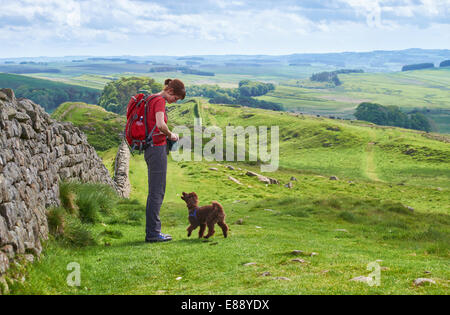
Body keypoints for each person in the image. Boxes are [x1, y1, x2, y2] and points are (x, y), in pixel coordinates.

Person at [145, 79, 186, 243]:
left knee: (154, 191)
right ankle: (153, 234)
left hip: (149, 146)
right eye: (175, 98)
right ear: (169, 91)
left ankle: (152, 231)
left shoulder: (150, 98)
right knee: (157, 191)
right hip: (156, 147)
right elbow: (160, 125)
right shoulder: (160, 101)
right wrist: (171, 135)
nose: (173, 102)